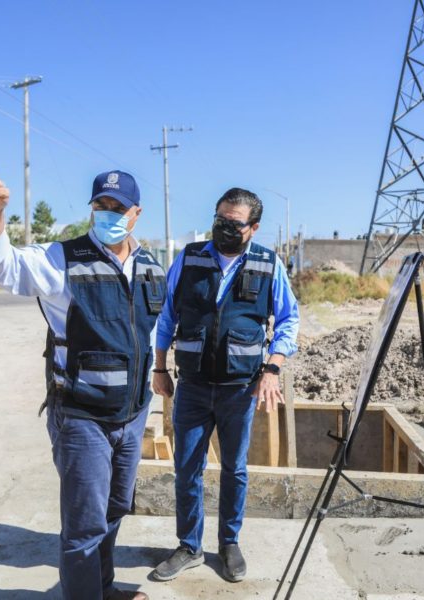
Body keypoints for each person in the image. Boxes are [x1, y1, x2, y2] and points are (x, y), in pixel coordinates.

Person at [0, 156, 162, 600]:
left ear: (137, 213)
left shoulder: (151, 267)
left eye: (118, 207)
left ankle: (101, 588)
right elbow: (4, 266)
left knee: (113, 511)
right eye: (101, 205)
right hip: (82, 416)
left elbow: (155, 332)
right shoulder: (62, 259)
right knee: (84, 525)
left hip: (131, 415)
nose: (109, 214)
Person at [151, 187, 299, 583]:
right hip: (193, 386)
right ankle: (189, 546)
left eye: (234, 224)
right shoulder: (190, 258)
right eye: (220, 220)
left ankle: (229, 543)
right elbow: (166, 316)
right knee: (187, 469)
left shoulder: (268, 265)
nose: (224, 228)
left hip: (240, 389)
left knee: (234, 469)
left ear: (253, 228)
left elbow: (288, 320)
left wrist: (272, 369)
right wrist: (159, 368)